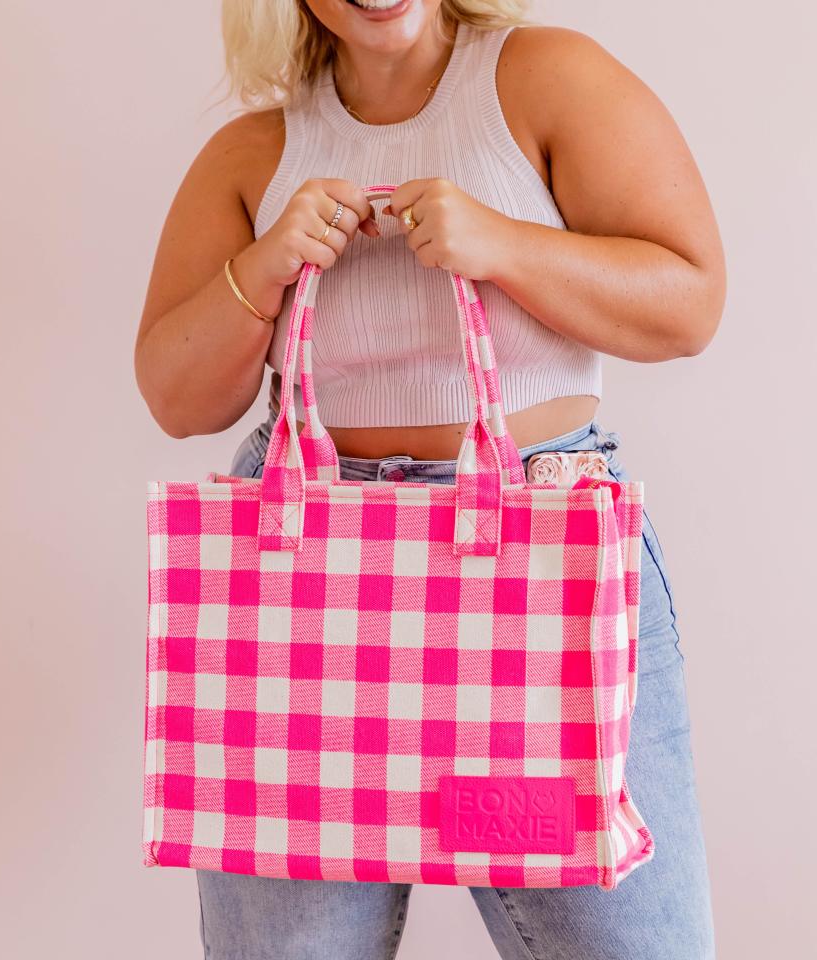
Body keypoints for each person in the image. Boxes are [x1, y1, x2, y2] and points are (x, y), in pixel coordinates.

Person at [134, 2, 725, 957]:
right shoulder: (249, 154)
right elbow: (173, 394)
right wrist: (265, 267)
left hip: (531, 571)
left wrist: (501, 244)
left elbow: (690, 302)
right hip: (308, 593)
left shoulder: (544, 79)